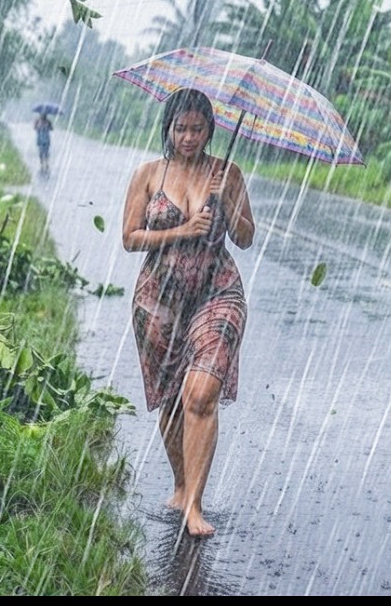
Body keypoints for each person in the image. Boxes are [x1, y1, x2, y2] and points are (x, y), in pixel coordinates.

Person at [121, 87, 255, 537]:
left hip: (218, 292)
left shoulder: (227, 173)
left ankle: (195, 503)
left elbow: (246, 236)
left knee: (200, 394)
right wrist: (181, 229)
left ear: (210, 130)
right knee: (171, 401)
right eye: (181, 128)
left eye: (198, 129)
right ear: (168, 129)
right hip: (159, 299)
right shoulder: (148, 175)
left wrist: (228, 204)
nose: (189, 137)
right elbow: (130, 237)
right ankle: (180, 484)